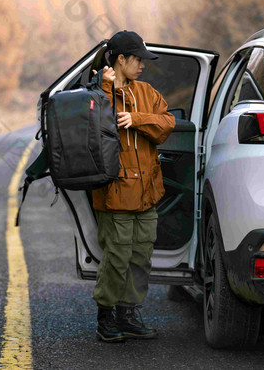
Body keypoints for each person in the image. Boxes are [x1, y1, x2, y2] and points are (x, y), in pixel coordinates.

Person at [89, 30, 175, 343]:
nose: (142, 65)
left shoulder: (148, 92)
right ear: (120, 59)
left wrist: (136, 118)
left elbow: (166, 125)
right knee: (117, 256)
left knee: (141, 257)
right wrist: (107, 87)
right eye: (137, 59)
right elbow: (91, 127)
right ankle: (105, 317)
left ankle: (128, 314)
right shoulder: (99, 92)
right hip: (115, 194)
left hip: (147, 194)